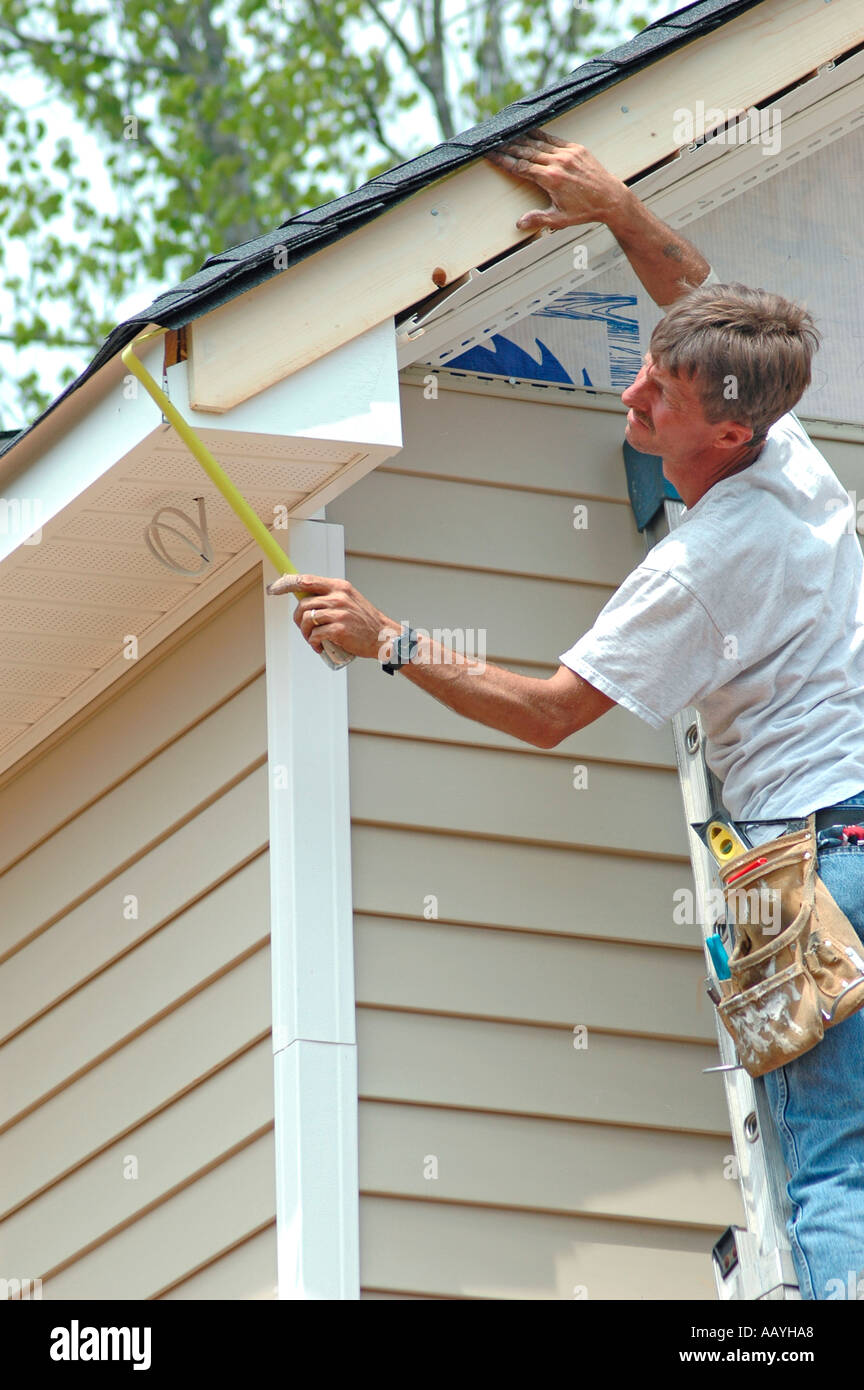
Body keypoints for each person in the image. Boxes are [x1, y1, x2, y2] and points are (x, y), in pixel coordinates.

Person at [267, 129, 864, 1300]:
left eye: (662, 394)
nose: (632, 392)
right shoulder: (790, 457)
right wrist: (618, 209)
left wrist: (387, 640)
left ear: (729, 431)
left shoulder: (700, 567)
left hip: (815, 864)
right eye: (644, 367)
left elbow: (548, 711)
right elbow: (700, 296)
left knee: (835, 1169)